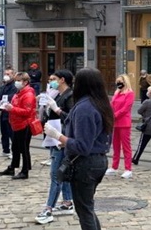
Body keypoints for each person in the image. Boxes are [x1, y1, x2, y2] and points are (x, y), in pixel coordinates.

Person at [43, 67, 113, 230]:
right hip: (98, 160)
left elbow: (82, 146)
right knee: (86, 207)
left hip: (85, 164)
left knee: (84, 210)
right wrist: (65, 142)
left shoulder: (85, 108)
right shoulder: (101, 103)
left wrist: (58, 136)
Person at [35, 69, 75, 224]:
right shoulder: (58, 94)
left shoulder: (70, 96)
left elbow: (71, 118)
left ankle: (48, 208)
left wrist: (56, 109)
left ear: (62, 80)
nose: (51, 81)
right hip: (54, 137)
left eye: (54, 79)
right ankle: (67, 202)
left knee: (56, 174)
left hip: (61, 139)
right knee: (62, 172)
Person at [0, 72, 36, 180]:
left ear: (25, 82)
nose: (16, 83)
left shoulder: (28, 94)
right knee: (15, 147)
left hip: (25, 124)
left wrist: (12, 109)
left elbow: (27, 111)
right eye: (16, 80)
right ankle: (12, 167)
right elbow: (15, 105)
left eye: (19, 81)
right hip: (16, 124)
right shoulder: (19, 92)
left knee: (24, 148)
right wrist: (6, 106)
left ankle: (25, 171)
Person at [105, 74, 135, 179]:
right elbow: (112, 105)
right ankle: (114, 166)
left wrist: (114, 115)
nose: (118, 83)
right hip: (115, 123)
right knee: (116, 145)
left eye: (120, 81)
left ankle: (128, 169)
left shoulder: (130, 93)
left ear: (125, 82)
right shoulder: (117, 93)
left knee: (126, 146)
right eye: (117, 81)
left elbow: (126, 108)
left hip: (124, 122)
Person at [0, 68, 17, 158]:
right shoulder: (3, 86)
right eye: (5, 74)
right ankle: (5, 150)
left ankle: (15, 152)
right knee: (4, 133)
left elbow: (12, 98)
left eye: (9, 74)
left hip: (10, 113)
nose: (6, 76)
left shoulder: (14, 86)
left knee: (11, 133)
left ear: (13, 75)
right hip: (2, 112)